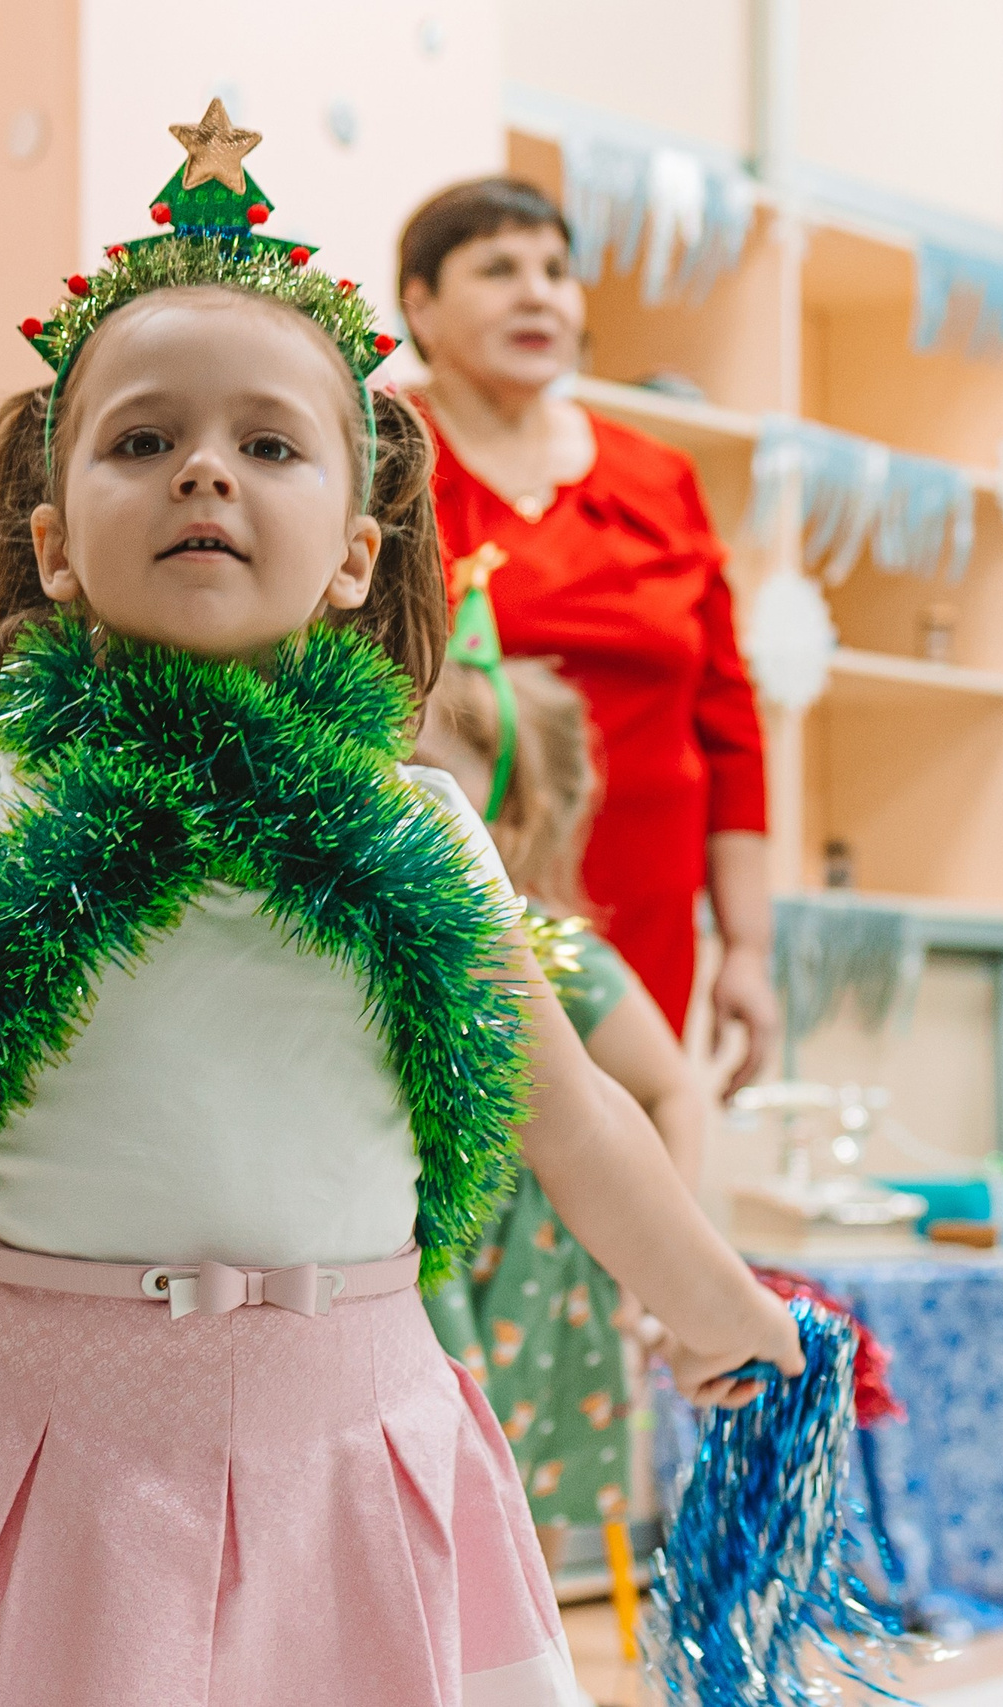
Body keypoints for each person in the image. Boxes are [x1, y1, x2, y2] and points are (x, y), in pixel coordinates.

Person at [0, 116, 805, 1707]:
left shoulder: (421, 829)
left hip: (350, 1453)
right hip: (35, 1457)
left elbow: (567, 1115)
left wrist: (713, 1298)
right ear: (54, 545)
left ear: (358, 555)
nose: (206, 469)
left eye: (271, 445)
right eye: (143, 442)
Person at [397, 178, 779, 1094]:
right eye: (498, 268)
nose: (538, 294)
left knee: (630, 1160)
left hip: (645, 903)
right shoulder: (384, 453)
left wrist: (749, 949)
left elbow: (728, 722)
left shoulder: (659, 477)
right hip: (452, 891)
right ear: (421, 304)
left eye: (557, 271)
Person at [412, 605, 700, 1559]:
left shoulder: (556, 957)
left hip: (527, 1279)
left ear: (509, 812)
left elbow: (672, 1089)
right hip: (415, 1268)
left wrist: (655, 1273)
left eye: (426, 780)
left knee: (485, 1509)